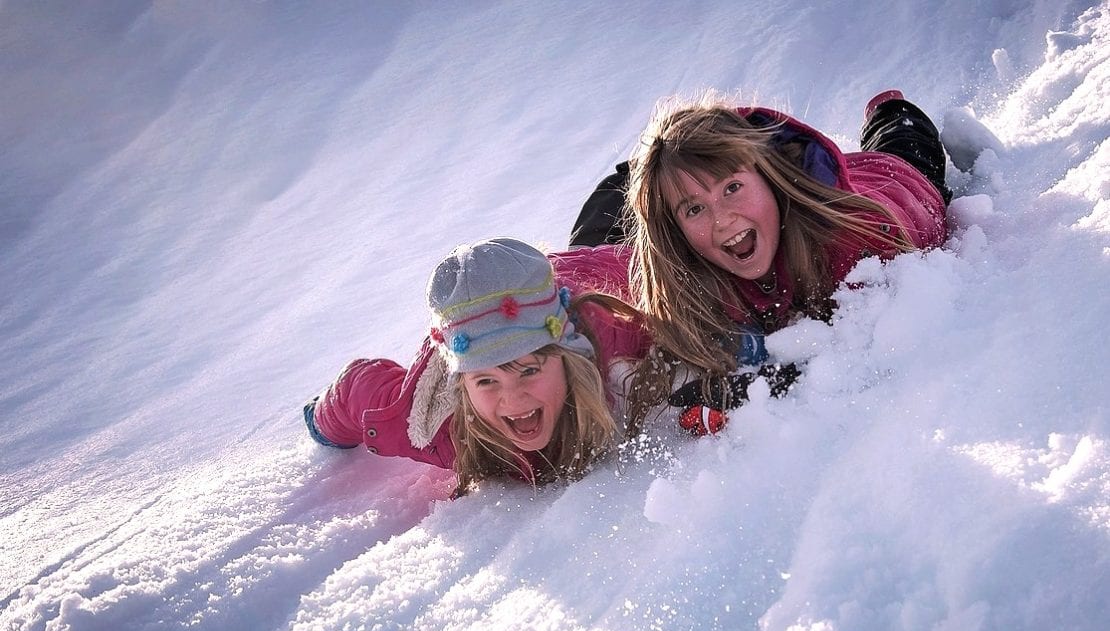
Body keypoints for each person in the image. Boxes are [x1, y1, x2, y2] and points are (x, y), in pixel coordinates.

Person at [571, 90, 951, 434]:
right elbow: (596, 275)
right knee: (608, 223)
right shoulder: (688, 265)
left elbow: (859, 349)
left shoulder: (854, 242)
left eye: (732, 188)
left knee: (904, 142)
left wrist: (764, 383)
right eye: (695, 209)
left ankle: (888, 108)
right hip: (664, 209)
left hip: (893, 178)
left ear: (769, 178)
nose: (723, 220)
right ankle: (643, 178)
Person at [304, 237, 650, 498]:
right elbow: (357, 388)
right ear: (461, 386)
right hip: (500, 312)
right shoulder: (433, 424)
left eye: (529, 370)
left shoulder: (615, 338)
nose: (512, 400)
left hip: (600, 269)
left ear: (566, 357)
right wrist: (321, 423)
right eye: (486, 380)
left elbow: (664, 277)